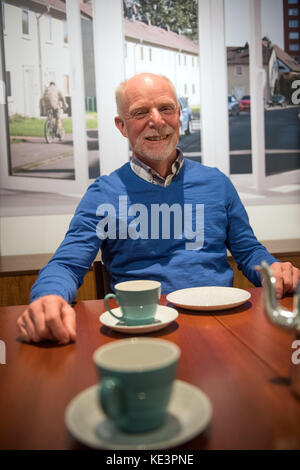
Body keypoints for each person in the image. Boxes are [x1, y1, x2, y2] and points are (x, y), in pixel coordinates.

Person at [17, 73, 300, 345]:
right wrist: (48, 297)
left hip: (220, 322)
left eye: (166, 108)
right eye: (140, 112)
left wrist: (273, 269)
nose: (157, 120)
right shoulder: (103, 194)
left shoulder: (216, 183)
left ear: (178, 115)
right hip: (141, 329)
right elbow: (66, 264)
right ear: (121, 126)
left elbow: (249, 251)